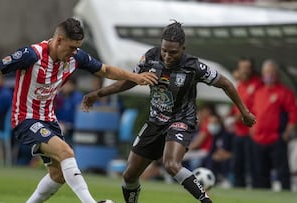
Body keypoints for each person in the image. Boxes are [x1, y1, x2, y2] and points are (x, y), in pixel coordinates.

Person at [0, 18, 157, 203]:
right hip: (25, 118)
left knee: (59, 175)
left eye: (77, 48)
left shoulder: (75, 57)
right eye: (72, 47)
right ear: (59, 40)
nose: (74, 52)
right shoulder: (32, 55)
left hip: (49, 120)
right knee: (66, 152)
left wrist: (134, 77)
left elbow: (105, 70)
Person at [81, 21, 256, 203]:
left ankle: (206, 201)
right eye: (164, 50)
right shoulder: (150, 57)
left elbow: (226, 83)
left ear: (183, 48)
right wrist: (99, 93)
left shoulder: (194, 66)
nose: (167, 56)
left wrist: (244, 112)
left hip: (181, 120)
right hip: (155, 122)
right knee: (129, 175)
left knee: (171, 164)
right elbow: (130, 80)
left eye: (173, 52)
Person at [251, 59, 297, 191]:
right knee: (260, 173)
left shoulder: (284, 92)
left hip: (277, 138)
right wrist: (252, 128)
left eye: (271, 72)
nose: (269, 75)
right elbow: (252, 112)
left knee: (282, 172)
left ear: (277, 74)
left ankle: (286, 195)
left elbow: (293, 114)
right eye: (266, 72)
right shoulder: (259, 92)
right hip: (259, 139)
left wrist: (288, 132)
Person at [230, 57, 262, 188]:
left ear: (251, 69)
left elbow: (258, 108)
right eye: (242, 68)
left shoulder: (258, 85)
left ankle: (256, 190)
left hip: (251, 132)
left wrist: (241, 116)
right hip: (239, 132)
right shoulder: (239, 86)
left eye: (247, 68)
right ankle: (239, 189)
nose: (244, 71)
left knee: (253, 165)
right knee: (238, 164)